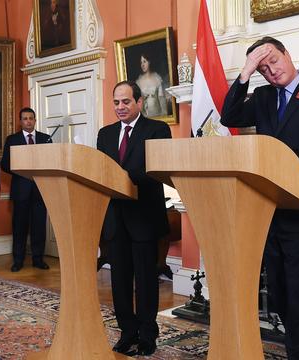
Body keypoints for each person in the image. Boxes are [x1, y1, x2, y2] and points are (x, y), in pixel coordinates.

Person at [220, 37, 299, 360]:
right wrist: (245, 72)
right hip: (270, 213)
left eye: (273, 60)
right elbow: (228, 116)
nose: (271, 70)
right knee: (281, 296)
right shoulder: (262, 97)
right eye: (263, 68)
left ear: (288, 54)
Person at [96, 80, 172, 356]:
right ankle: (127, 332)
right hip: (115, 218)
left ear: (139, 102)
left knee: (146, 280)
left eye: (125, 101)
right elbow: (100, 170)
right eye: (116, 102)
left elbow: (157, 168)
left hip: (144, 218)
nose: (120, 107)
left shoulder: (157, 130)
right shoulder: (105, 134)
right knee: (119, 281)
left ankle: (148, 335)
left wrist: (124, 179)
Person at [0, 107, 51, 272]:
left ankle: (38, 259)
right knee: (19, 227)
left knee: (39, 227)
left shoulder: (45, 138)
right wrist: (21, 169)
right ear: (20, 121)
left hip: (40, 190)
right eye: (25, 118)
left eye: (31, 118)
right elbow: (5, 165)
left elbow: (51, 162)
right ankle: (18, 260)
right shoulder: (12, 139)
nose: (28, 121)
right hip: (21, 189)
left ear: (35, 120)